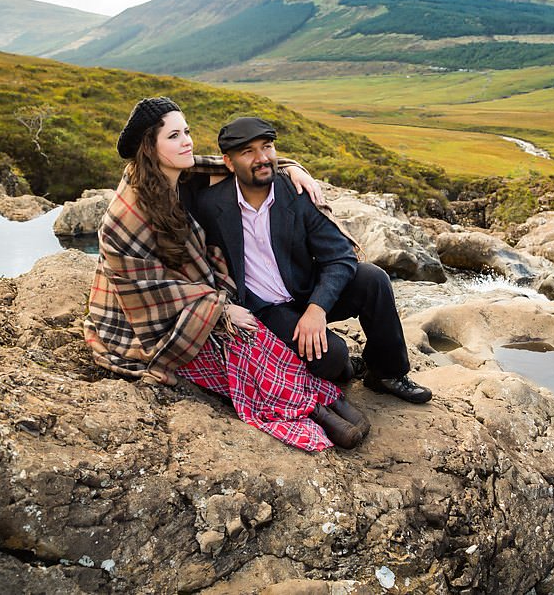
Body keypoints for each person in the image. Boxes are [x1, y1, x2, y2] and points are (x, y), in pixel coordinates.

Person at [84, 97, 371, 450]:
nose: (187, 142)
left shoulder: (183, 173)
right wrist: (217, 307)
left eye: (186, 131)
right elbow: (144, 288)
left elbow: (247, 164)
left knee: (254, 333)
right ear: (150, 147)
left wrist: (294, 168)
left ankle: (326, 399)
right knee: (240, 347)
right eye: (174, 136)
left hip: (196, 297)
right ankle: (317, 410)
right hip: (142, 321)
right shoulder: (124, 215)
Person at [185, 116, 432, 404]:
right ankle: (348, 367)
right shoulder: (209, 205)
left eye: (267, 147)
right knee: (333, 357)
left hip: (305, 289)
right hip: (265, 309)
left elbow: (340, 256)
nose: (262, 158)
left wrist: (317, 309)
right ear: (228, 162)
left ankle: (387, 373)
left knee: (373, 279)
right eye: (248, 152)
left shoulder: (295, 192)